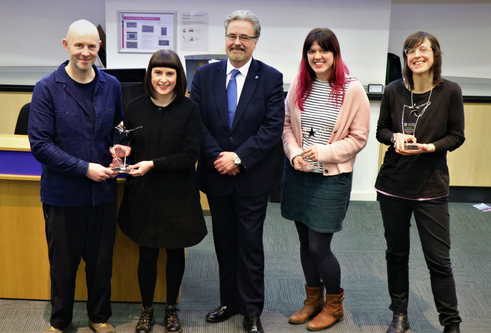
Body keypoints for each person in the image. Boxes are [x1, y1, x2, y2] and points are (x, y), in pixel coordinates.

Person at [189, 9, 285, 333]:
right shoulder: (204, 76)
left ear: (256, 41)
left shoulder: (270, 78)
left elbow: (272, 128)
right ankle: (229, 302)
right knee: (224, 244)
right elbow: (197, 123)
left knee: (250, 246)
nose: (237, 42)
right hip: (217, 176)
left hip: (252, 178)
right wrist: (220, 156)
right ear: (225, 38)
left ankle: (252, 310)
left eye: (245, 37)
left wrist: (239, 158)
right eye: (232, 35)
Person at [28, 19, 123, 333]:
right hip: (63, 194)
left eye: (92, 46)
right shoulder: (46, 88)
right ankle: (60, 322)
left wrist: (120, 149)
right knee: (63, 266)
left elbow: (118, 131)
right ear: (66, 46)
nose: (85, 52)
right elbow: (40, 145)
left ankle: (99, 317)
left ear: (99, 48)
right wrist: (85, 168)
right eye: (79, 45)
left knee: (100, 263)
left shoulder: (112, 86)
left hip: (103, 194)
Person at [375, 31, 464, 333]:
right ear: (406, 58)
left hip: (431, 187)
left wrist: (430, 147)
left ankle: (451, 323)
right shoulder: (393, 91)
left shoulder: (450, 91)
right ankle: (399, 314)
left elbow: (456, 135)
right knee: (396, 254)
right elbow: (381, 130)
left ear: (435, 55)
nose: (416, 55)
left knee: (439, 260)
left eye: (423, 50)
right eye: (410, 51)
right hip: (393, 185)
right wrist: (395, 137)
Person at [281, 28, 370, 331]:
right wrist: (294, 154)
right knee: (305, 243)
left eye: (324, 50)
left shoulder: (351, 89)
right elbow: (287, 127)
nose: (317, 56)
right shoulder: (298, 83)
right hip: (298, 176)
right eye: (311, 51)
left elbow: (359, 138)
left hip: (330, 180)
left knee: (320, 246)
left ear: (334, 54)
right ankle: (312, 301)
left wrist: (323, 152)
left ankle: (334, 305)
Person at [115, 49, 207, 333]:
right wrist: (121, 151)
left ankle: (170, 310)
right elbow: (127, 143)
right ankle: (146, 311)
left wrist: (153, 163)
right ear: (150, 75)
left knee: (175, 254)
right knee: (147, 255)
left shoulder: (190, 109)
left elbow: (189, 154)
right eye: (158, 72)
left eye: (170, 73)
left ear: (178, 76)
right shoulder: (133, 106)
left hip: (177, 194)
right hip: (144, 192)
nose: (163, 79)